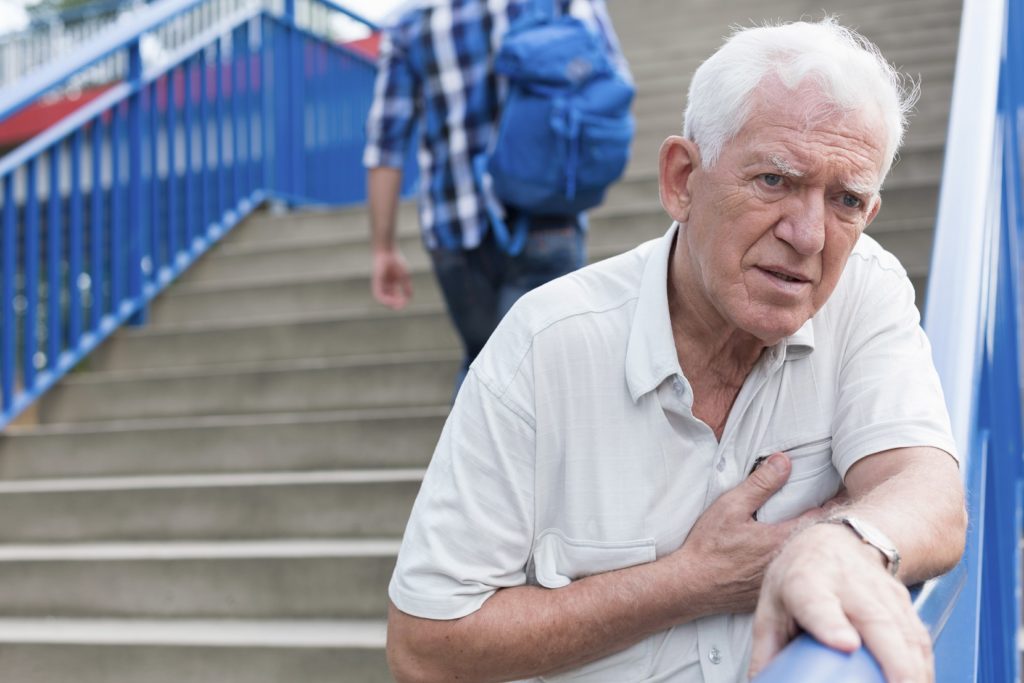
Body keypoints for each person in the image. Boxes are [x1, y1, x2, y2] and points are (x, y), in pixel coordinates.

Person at [386, 17, 967, 683]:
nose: (808, 235)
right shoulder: (544, 346)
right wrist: (691, 581)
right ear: (682, 179)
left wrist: (843, 545)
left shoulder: (865, 285)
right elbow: (423, 647)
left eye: (846, 200)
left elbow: (929, 493)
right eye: (775, 179)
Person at [363, 0, 631, 393]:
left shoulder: (409, 24)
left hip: (454, 228)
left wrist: (383, 247)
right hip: (546, 210)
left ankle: (467, 448)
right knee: (547, 379)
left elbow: (385, 145)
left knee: (483, 370)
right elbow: (614, 83)